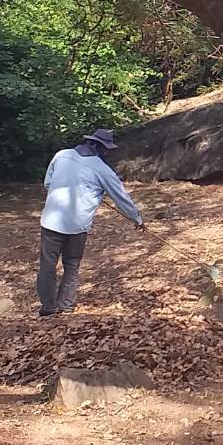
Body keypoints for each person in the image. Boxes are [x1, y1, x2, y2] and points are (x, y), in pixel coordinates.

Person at [36, 128, 143, 317]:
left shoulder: (61, 155)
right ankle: (66, 306)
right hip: (77, 226)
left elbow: (48, 184)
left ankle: (48, 308)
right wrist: (137, 219)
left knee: (48, 265)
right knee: (72, 265)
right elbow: (121, 197)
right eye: (105, 149)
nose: (107, 153)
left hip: (51, 221)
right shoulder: (101, 169)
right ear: (97, 146)